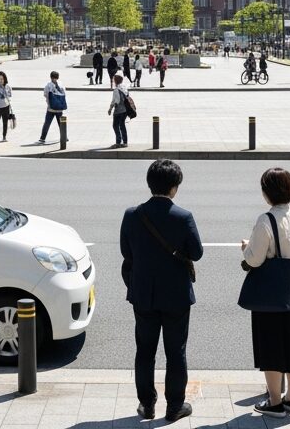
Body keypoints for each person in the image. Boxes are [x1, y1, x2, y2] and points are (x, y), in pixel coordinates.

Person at [119, 160, 202, 423]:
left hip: (143, 293)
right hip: (176, 294)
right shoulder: (183, 216)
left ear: (149, 183)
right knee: (175, 351)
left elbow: (126, 252)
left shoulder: (132, 215)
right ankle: (174, 406)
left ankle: (147, 404)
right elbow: (197, 252)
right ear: (175, 188)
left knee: (145, 350)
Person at [240, 167, 290, 418]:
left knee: (271, 346)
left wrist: (246, 249)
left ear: (266, 193)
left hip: (271, 294)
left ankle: (274, 402)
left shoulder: (266, 220)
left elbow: (256, 259)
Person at [39, 71, 65, 145]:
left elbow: (45, 94)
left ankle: (42, 138)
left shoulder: (48, 85)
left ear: (51, 77)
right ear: (58, 77)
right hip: (59, 109)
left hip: (51, 108)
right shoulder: (61, 85)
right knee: (61, 124)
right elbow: (64, 95)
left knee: (47, 123)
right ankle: (64, 137)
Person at [108, 73, 131, 148]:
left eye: (114, 80)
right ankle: (125, 142)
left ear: (116, 81)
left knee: (115, 125)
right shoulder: (124, 87)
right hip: (125, 110)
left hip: (118, 110)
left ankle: (118, 142)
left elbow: (115, 101)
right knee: (122, 125)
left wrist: (110, 108)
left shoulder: (116, 90)